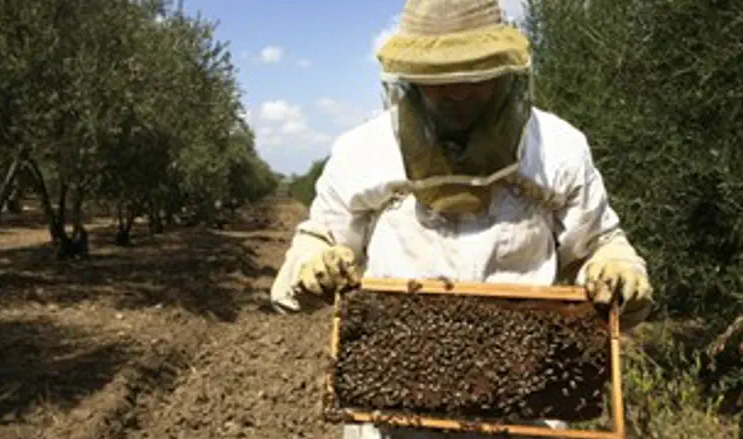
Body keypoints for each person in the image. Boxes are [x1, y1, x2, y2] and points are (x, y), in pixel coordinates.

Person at [269, 0, 655, 437]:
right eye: (440, 80)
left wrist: (617, 267)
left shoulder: (558, 150)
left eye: (473, 75)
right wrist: (314, 263)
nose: (457, 92)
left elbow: (601, 243)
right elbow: (312, 245)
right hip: (394, 418)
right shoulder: (363, 152)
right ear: (412, 78)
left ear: (501, 68)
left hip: (524, 406)